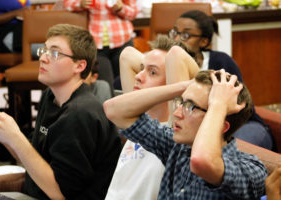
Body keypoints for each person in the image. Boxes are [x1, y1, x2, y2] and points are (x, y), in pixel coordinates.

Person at [0, 24, 122, 200]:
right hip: (40, 188)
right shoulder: (51, 96)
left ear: (79, 66)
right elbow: (35, 161)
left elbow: (60, 193)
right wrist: (6, 135)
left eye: (55, 53)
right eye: (44, 50)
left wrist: (16, 137)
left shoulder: (80, 113)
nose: (43, 58)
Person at [104, 69, 267, 199]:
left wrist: (218, 104)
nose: (177, 113)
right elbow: (114, 110)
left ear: (221, 126)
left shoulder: (251, 170)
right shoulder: (178, 147)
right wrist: (188, 86)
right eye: (181, 102)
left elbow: (202, 162)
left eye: (190, 107)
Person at [105, 35, 199, 199]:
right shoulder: (137, 120)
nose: (138, 76)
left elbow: (176, 55)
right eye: (141, 68)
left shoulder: (174, 132)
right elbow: (127, 55)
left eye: (152, 72)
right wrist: (154, 62)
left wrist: (184, 84)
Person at [170, 10, 274, 150]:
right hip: (196, 129)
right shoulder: (169, 62)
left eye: (186, 35)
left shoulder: (221, 61)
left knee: (222, 151)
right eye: (175, 32)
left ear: (204, 41)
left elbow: (241, 107)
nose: (176, 39)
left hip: (239, 125)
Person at [63, 0, 138, 92]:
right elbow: (67, 4)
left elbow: (133, 13)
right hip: (97, 45)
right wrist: (80, 4)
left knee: (130, 86)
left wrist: (121, 8)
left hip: (123, 41)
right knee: (106, 87)